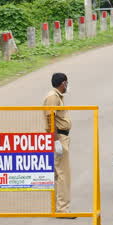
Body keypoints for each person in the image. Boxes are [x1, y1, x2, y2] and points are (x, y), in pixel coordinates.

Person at [43, 72, 73, 217]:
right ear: (63, 83)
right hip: (59, 137)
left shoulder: (57, 96)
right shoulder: (53, 97)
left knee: (59, 173)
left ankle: (58, 208)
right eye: (67, 83)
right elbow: (50, 118)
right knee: (63, 174)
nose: (67, 86)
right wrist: (55, 141)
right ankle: (62, 209)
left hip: (62, 136)